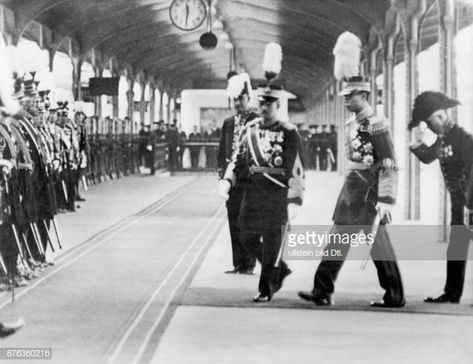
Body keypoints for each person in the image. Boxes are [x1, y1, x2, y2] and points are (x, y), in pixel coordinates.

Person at [298, 31, 405, 308]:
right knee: (338, 239)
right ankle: (322, 290)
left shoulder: (376, 123)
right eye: (345, 94)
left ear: (364, 94)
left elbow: (390, 161)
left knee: (378, 244)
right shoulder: (353, 123)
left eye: (350, 95)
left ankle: (394, 295)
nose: (345, 99)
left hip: (370, 192)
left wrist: (386, 199)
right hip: (353, 189)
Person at [221, 42, 305, 302]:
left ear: (277, 105)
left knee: (271, 242)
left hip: (277, 193)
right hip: (253, 191)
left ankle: (266, 288)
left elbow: (297, 169)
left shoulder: (289, 132)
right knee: (245, 234)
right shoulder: (251, 130)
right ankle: (278, 271)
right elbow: (239, 159)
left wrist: (295, 199)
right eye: (261, 103)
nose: (265, 108)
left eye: (269, 104)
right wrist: (227, 178)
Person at [409, 91, 473, 303]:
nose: (429, 127)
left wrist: (469, 204)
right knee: (456, 247)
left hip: (469, 203)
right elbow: (429, 157)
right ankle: (452, 293)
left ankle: (453, 293)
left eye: (429, 122)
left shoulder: (463, 139)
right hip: (460, 203)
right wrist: (417, 142)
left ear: (441, 116)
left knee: (459, 245)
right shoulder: (444, 138)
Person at [217, 73, 258, 275]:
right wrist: (221, 178)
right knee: (233, 220)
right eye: (234, 99)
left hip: (250, 180)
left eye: (240, 98)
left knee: (248, 222)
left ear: (247, 98)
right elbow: (222, 151)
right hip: (231, 180)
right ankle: (238, 263)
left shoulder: (256, 120)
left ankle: (249, 263)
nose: (237, 103)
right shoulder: (228, 123)